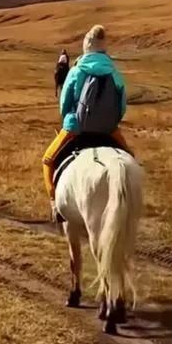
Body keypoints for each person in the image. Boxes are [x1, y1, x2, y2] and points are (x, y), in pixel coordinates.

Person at [42, 24, 131, 221]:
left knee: (47, 160)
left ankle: (54, 204)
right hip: (108, 129)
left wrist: (69, 120)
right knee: (132, 160)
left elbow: (65, 102)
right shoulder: (113, 71)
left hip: (77, 128)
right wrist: (111, 122)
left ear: (86, 47)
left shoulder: (77, 70)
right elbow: (122, 102)